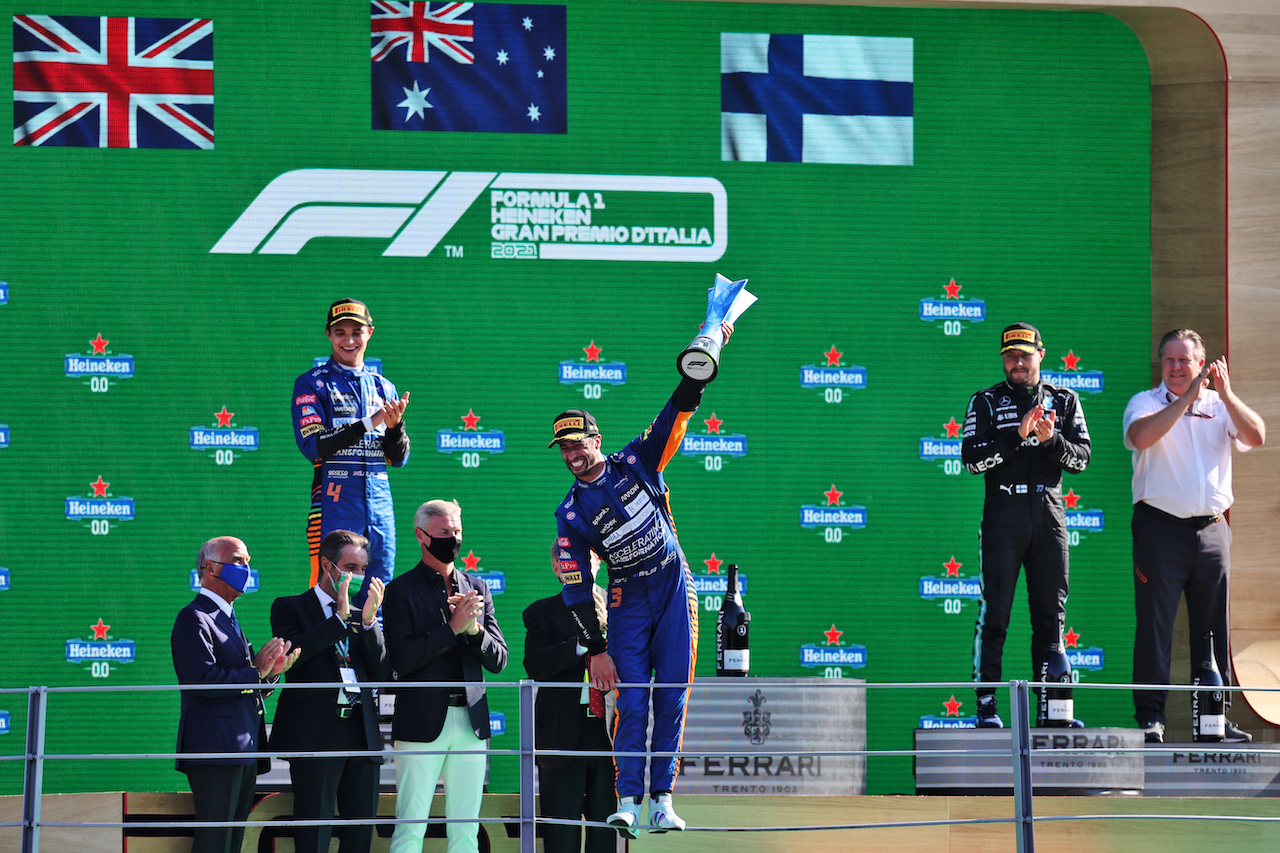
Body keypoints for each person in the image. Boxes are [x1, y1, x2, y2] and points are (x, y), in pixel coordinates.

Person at [549, 323, 730, 838]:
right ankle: (627, 799)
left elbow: (674, 416)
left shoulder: (636, 460)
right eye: (563, 448)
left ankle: (662, 800)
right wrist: (596, 648)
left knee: (672, 695)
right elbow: (576, 585)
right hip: (627, 599)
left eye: (577, 443)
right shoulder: (570, 512)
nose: (572, 454)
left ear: (596, 439)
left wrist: (699, 367)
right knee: (631, 700)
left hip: (674, 588)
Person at [1124, 329, 1265, 744]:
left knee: (1213, 628)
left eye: (1184, 361)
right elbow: (1140, 437)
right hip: (1160, 529)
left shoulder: (1220, 406)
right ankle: (1151, 718)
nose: (1175, 367)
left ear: (1202, 364)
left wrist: (1227, 395)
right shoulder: (1145, 402)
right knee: (1155, 627)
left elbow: (1256, 435)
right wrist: (1186, 400)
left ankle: (1214, 718)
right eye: (1169, 360)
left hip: (1212, 530)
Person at [961, 322, 1091, 728]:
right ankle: (986, 707)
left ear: (1041, 354)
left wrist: (1051, 440)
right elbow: (971, 460)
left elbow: (1082, 459)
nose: (1017, 363)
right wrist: (1016, 436)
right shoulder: (984, 401)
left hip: (1049, 516)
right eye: (1010, 356)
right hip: (1003, 516)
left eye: (1025, 355)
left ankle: (1051, 710)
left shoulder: (1065, 400)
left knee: (1050, 618)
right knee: (994, 614)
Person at [383, 500, 508, 853]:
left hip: (472, 723)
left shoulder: (478, 588)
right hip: (421, 722)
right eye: (444, 532)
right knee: (410, 827)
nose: (452, 539)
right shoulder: (400, 590)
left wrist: (473, 632)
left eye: (456, 532)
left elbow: (499, 659)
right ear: (421, 536)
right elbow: (401, 660)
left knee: (466, 830)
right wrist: (452, 629)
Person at [172, 537, 300, 853]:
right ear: (212, 568)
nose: (247, 568)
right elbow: (202, 681)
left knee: (231, 840)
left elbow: (245, 684)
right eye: (239, 561)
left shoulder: (228, 617)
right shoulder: (194, 617)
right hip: (215, 749)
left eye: (247, 561)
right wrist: (257, 671)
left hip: (242, 747)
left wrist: (272, 674)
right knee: (215, 840)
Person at [269, 530, 391, 853]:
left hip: (360, 733)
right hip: (315, 734)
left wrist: (368, 624)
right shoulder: (289, 607)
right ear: (327, 565)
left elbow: (382, 672)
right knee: (314, 830)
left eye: (363, 569)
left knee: (359, 832)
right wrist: (338, 618)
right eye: (350, 567)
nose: (358, 577)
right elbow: (292, 656)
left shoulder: (362, 616)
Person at [293, 298, 410, 603]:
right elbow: (312, 445)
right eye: (340, 332)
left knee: (379, 594)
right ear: (328, 335)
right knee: (332, 593)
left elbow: (398, 458)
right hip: (334, 504)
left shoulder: (384, 387)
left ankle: (377, 651)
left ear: (369, 333)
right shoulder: (312, 384)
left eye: (356, 332)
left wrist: (395, 428)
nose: (349, 340)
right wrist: (368, 423)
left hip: (380, 505)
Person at [523, 543, 616, 853]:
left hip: (607, 729)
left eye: (586, 560)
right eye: (568, 560)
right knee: (562, 831)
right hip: (561, 733)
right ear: (556, 568)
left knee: (605, 830)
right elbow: (535, 665)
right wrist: (583, 643)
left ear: (598, 565)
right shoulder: (540, 613)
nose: (577, 566)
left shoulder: (619, 607)